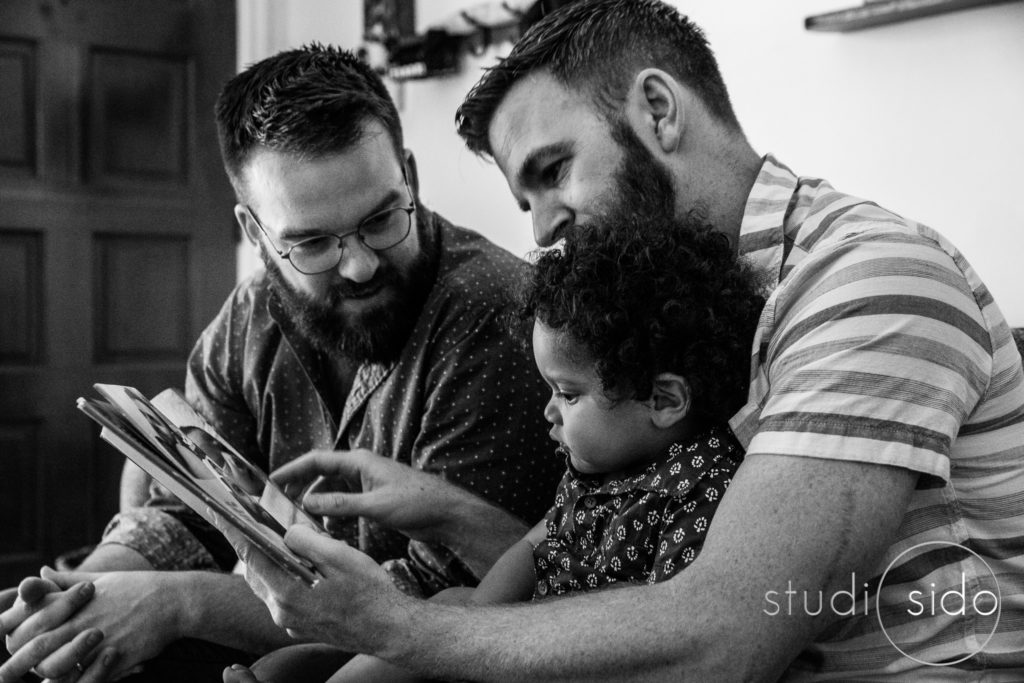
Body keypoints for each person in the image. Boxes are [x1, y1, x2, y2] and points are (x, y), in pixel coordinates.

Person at [213, 1, 1024, 681]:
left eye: (553, 171)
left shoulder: (866, 277)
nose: (537, 232)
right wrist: (448, 519)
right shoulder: (687, 314)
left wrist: (394, 625)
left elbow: (725, 636)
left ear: (659, 111)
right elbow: (612, 557)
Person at [0, 44, 563, 682]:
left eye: (381, 219)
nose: (359, 264)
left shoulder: (501, 317)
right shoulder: (249, 315)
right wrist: (92, 592)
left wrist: (175, 602)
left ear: (409, 174)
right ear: (255, 230)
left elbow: (434, 607)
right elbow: (189, 505)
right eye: (312, 242)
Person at [263, 217, 763, 682]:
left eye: (567, 394)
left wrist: (483, 637)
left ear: (664, 400)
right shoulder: (597, 467)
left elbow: (659, 625)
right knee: (450, 602)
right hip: (523, 629)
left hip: (578, 657)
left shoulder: (704, 489)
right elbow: (533, 547)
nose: (550, 410)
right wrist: (475, 620)